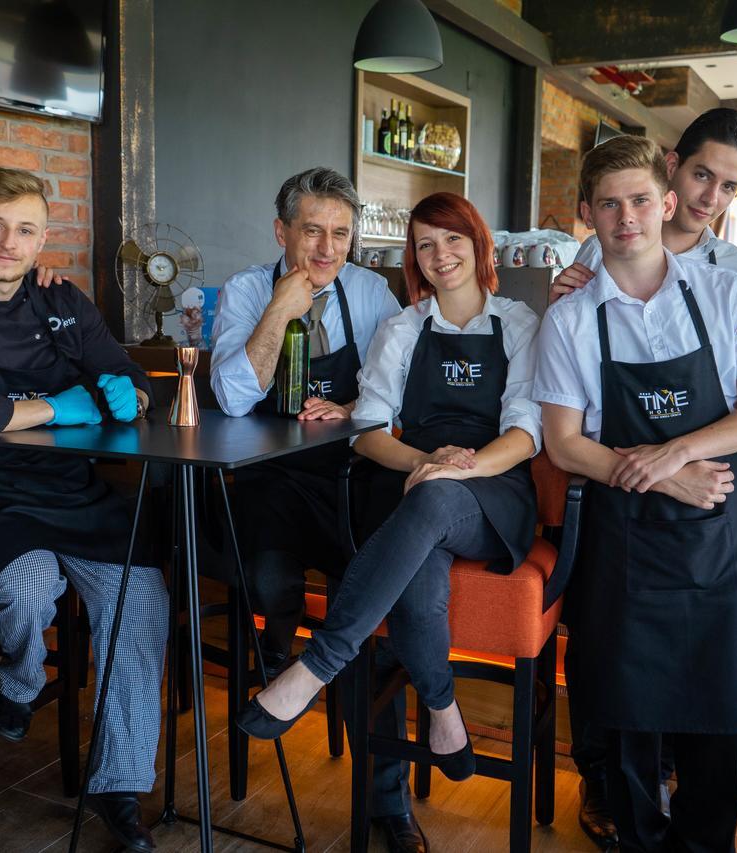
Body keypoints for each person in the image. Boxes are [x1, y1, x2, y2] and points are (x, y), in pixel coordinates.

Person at [236, 192, 541, 809]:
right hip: (409, 479)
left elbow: (526, 433)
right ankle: (442, 705)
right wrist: (424, 462)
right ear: (414, 258)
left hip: (494, 487)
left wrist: (463, 468)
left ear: (478, 243)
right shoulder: (402, 328)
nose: (440, 254)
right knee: (419, 568)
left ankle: (317, 665)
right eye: (425, 243)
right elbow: (370, 432)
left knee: (428, 506)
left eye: (453, 238)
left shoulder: (520, 323)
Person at [0, 166, 167, 853]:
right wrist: (53, 407)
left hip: (70, 486)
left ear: (43, 237)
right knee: (25, 588)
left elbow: (128, 377)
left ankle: (118, 784)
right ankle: (21, 675)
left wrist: (123, 391)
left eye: (24, 230)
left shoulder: (61, 299)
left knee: (141, 595)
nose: (8, 244)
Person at [533, 135, 737, 853]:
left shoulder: (723, 292)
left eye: (641, 200)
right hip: (627, 538)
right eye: (608, 204)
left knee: (716, 710)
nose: (627, 217)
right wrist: (661, 474)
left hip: (717, 536)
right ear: (587, 214)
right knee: (630, 716)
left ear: (667, 202)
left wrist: (677, 449)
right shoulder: (571, 318)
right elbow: (564, 443)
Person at [210, 168, 421, 851]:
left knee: (375, 625)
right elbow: (237, 397)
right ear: (282, 232)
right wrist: (280, 306)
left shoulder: (372, 292)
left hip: (357, 476)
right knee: (268, 578)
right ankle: (278, 652)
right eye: (312, 231)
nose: (328, 249)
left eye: (340, 233)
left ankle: (387, 801)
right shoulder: (246, 289)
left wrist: (356, 409)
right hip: (273, 473)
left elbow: (398, 391)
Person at [553, 108, 737, 310]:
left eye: (728, 187)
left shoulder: (735, 269)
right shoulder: (598, 251)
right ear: (671, 166)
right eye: (702, 175)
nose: (710, 199)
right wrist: (556, 307)